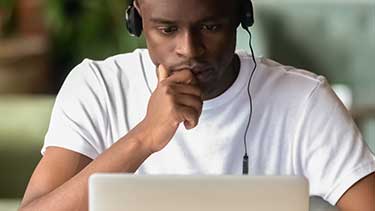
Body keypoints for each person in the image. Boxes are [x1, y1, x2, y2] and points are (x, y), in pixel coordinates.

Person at [20, 0, 374, 210]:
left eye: (210, 26)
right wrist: (144, 138)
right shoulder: (98, 87)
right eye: (167, 29)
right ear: (137, 16)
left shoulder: (304, 101)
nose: (189, 50)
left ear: (241, 14)